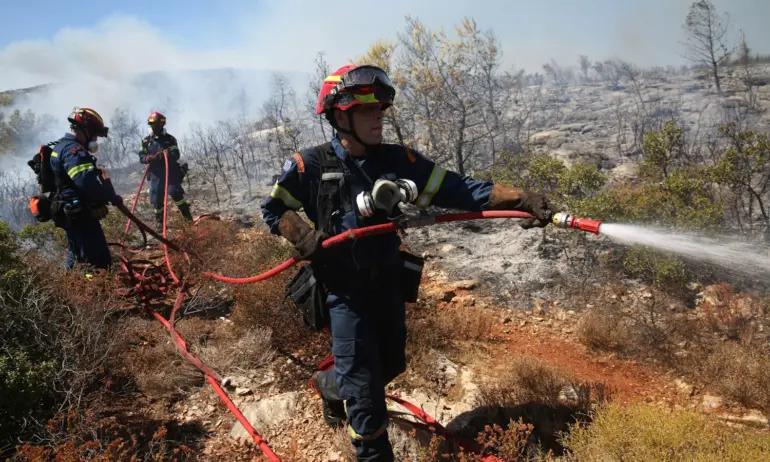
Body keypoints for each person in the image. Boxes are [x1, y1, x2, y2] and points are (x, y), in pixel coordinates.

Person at [260, 64, 552, 461]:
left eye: (382, 110)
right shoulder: (309, 165)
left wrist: (520, 199)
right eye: (369, 112)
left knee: (390, 365)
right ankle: (366, 437)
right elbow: (274, 209)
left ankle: (330, 385)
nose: (379, 118)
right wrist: (302, 235)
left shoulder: (400, 161)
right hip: (344, 292)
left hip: (387, 284)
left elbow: (459, 189)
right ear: (340, 116)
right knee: (365, 397)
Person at [50, 107, 123, 273]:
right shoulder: (73, 151)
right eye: (94, 133)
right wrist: (108, 196)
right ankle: (97, 293)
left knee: (76, 255)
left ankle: (73, 291)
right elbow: (85, 183)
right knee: (98, 260)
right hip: (80, 214)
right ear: (85, 130)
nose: (95, 138)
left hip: (69, 211)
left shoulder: (60, 147)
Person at [139, 111, 192, 231]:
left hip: (170, 172)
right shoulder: (146, 141)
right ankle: (159, 224)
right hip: (155, 175)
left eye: (157, 124)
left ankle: (188, 218)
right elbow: (141, 157)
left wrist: (165, 156)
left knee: (175, 192)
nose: (155, 127)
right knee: (157, 199)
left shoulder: (170, 139)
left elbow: (176, 154)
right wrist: (149, 158)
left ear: (162, 125)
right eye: (152, 124)